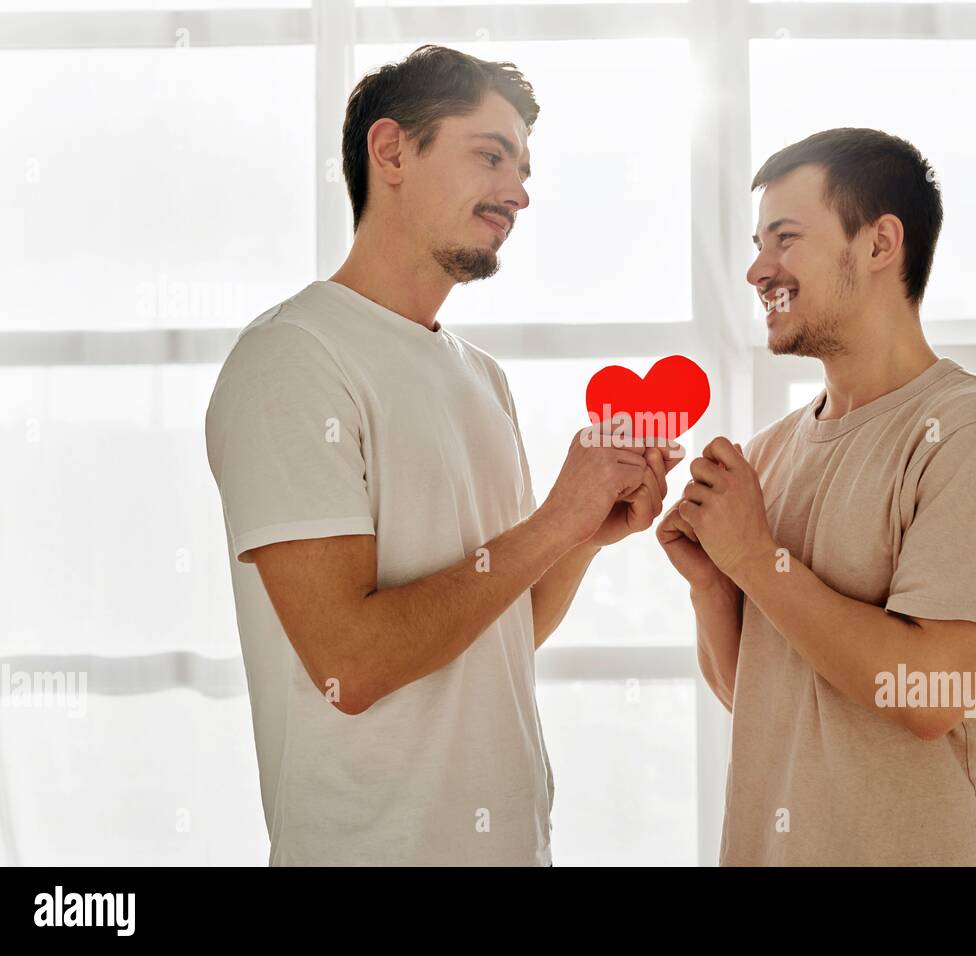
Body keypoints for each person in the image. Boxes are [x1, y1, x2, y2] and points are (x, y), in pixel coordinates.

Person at [205, 45, 674, 866]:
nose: (519, 194)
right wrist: (554, 519)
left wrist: (582, 536)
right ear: (391, 151)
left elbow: (500, 630)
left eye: (524, 169)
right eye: (491, 155)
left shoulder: (481, 377)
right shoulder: (293, 359)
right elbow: (351, 664)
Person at [657, 128, 976, 866]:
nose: (757, 269)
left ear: (880, 244)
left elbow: (934, 692)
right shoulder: (770, 453)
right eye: (757, 243)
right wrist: (715, 583)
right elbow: (761, 703)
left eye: (785, 238)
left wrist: (753, 556)